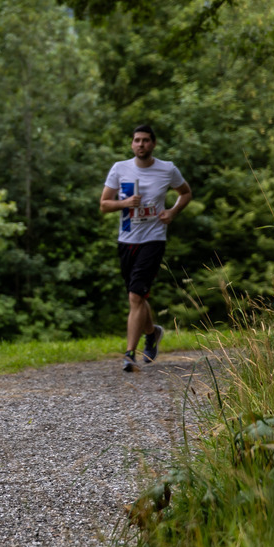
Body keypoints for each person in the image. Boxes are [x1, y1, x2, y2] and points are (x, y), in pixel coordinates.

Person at [100, 124, 193, 373]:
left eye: (145, 140)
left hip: (153, 239)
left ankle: (130, 354)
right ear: (132, 144)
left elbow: (185, 193)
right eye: (137, 140)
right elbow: (104, 205)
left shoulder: (167, 169)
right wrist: (125, 203)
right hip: (127, 239)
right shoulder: (120, 169)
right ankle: (152, 333)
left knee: (135, 296)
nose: (141, 144)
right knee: (137, 295)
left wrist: (173, 211)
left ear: (153, 144)